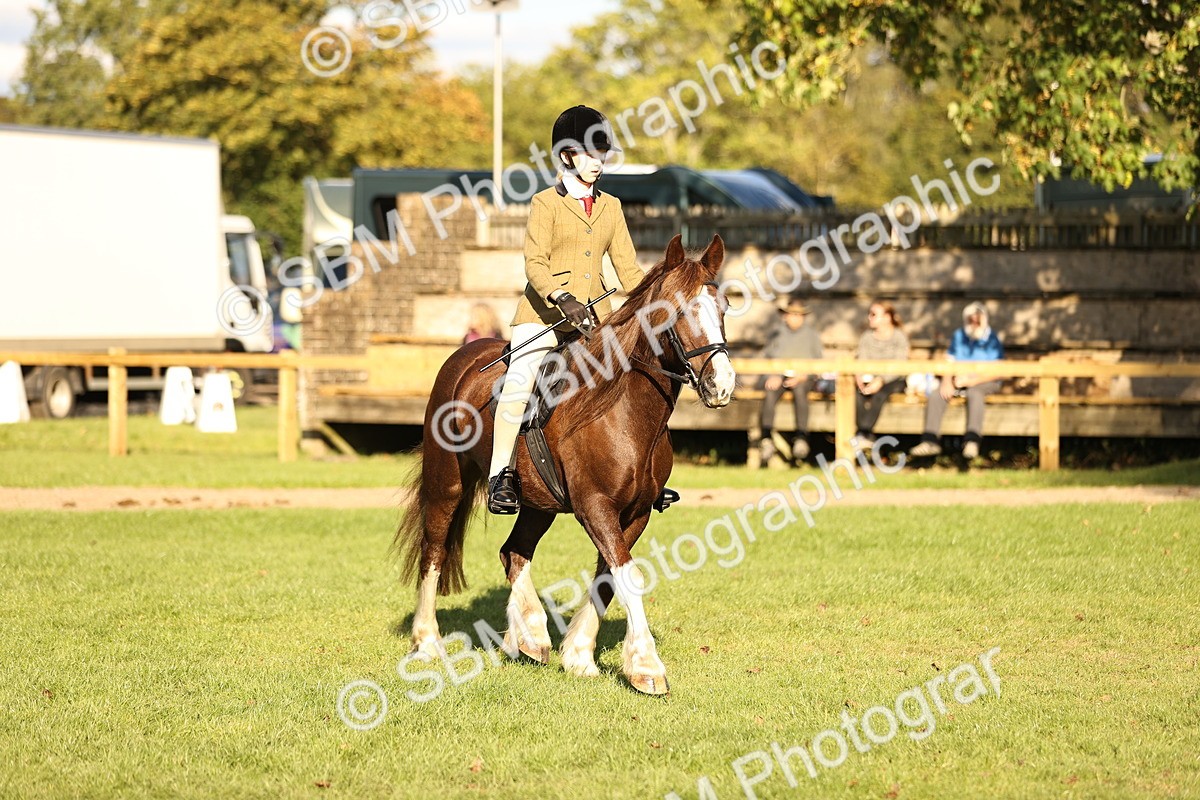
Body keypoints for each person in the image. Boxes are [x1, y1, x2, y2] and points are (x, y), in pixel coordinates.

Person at [486, 105, 645, 514]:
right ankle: (500, 475)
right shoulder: (545, 203)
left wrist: (657, 296)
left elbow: (628, 269)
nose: (597, 162)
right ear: (567, 156)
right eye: (589, 154)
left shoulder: (611, 206)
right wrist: (561, 296)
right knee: (519, 380)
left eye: (601, 153)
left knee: (635, 377)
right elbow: (534, 263)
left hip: (594, 321)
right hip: (543, 315)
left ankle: (640, 476)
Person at [910, 302, 1004, 460]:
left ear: (984, 319)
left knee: (975, 393)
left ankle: (972, 441)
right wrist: (947, 381)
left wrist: (972, 381)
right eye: (971, 320)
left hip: (983, 381)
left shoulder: (992, 339)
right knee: (937, 394)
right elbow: (949, 362)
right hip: (960, 380)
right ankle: (930, 441)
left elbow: (998, 370)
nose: (974, 323)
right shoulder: (959, 336)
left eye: (978, 320)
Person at [757, 297, 823, 463]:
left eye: (798, 315)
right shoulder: (776, 334)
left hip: (803, 377)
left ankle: (801, 436)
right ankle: (766, 438)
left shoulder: (811, 336)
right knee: (770, 391)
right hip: (779, 375)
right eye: (791, 314)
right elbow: (767, 359)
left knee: (800, 392)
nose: (794, 318)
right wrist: (773, 374)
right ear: (785, 315)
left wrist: (803, 376)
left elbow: (818, 364)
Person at [855, 301, 909, 447]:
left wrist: (881, 380)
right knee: (856, 393)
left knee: (880, 394)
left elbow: (900, 365)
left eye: (873, 314)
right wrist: (859, 377)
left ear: (887, 317)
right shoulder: (866, 337)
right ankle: (865, 435)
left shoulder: (899, 337)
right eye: (869, 314)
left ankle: (864, 432)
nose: (869, 317)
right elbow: (861, 361)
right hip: (870, 378)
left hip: (893, 379)